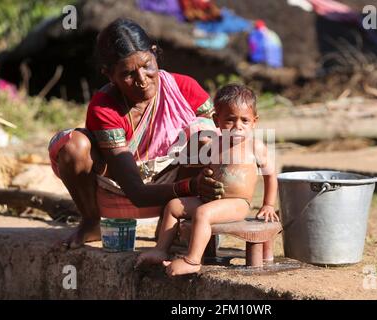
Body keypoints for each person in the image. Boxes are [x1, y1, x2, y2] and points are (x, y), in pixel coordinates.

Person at [48, 18, 225, 249]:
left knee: (208, 136)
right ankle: (91, 222)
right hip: (118, 184)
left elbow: (225, 142)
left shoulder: (185, 89)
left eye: (147, 66)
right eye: (128, 74)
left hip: (177, 177)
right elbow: (137, 193)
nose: (142, 80)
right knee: (73, 145)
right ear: (109, 75)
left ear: (154, 54)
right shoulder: (105, 107)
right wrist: (192, 187)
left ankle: (172, 223)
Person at [136, 84, 279, 276]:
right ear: (216, 120)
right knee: (173, 206)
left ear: (254, 121)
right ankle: (161, 249)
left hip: (237, 203)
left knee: (203, 214)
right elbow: (203, 170)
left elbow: (271, 175)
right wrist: (203, 177)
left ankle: (192, 260)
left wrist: (268, 205)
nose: (237, 127)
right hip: (210, 200)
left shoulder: (255, 146)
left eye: (244, 120)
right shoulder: (214, 144)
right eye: (230, 120)